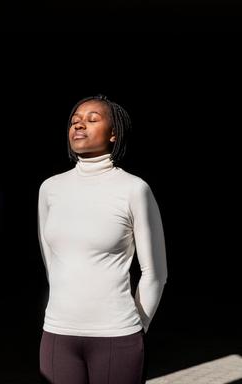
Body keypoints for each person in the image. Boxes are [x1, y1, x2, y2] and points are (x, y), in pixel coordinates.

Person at [37, 94, 168, 384]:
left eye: (92, 119)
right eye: (74, 121)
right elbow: (52, 263)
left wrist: (137, 326)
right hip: (57, 335)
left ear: (113, 134)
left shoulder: (134, 189)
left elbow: (155, 274)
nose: (79, 125)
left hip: (116, 336)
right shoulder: (50, 189)